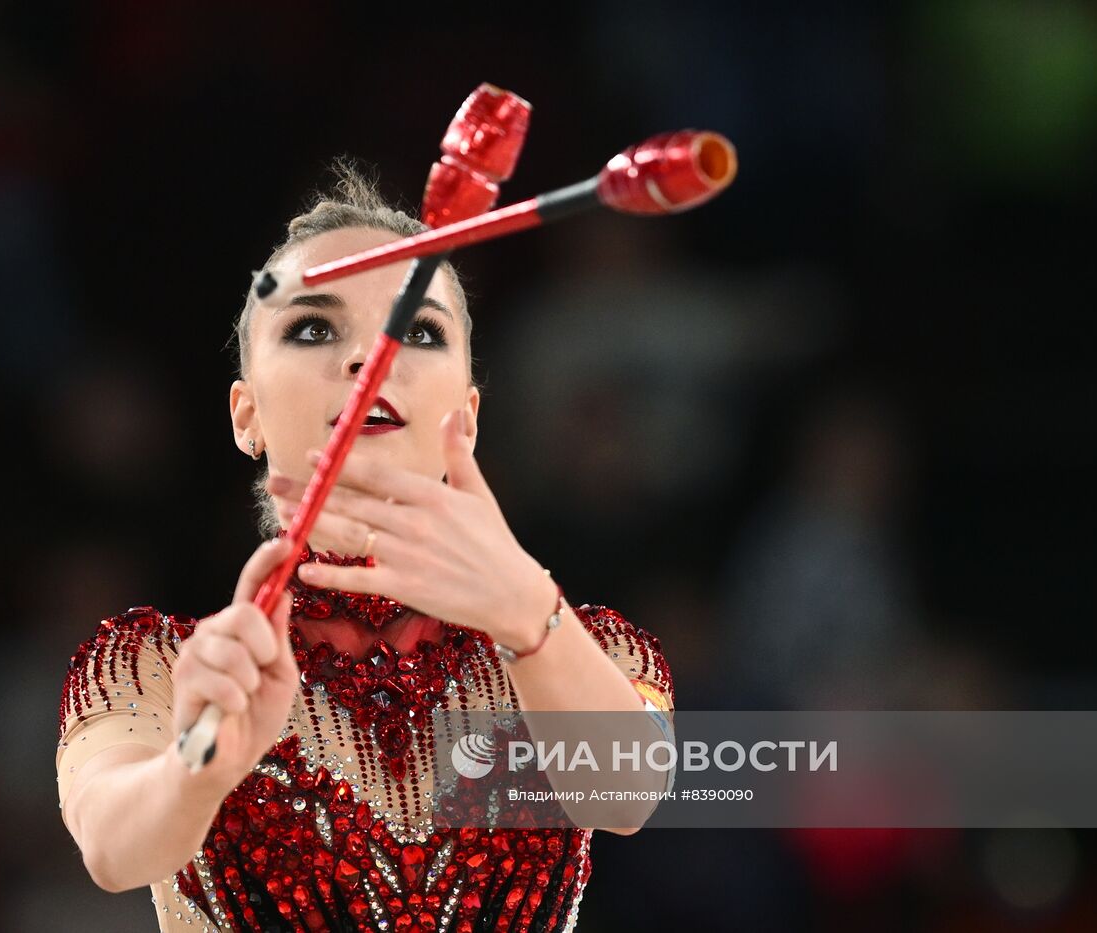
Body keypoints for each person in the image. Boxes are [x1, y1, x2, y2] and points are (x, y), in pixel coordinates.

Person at [55, 166, 675, 932]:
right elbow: (112, 848)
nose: (371, 356)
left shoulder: (588, 649)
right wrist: (199, 765)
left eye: (417, 330)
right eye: (314, 327)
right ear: (245, 414)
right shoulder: (158, 664)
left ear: (469, 414)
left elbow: (630, 790)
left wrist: (527, 613)